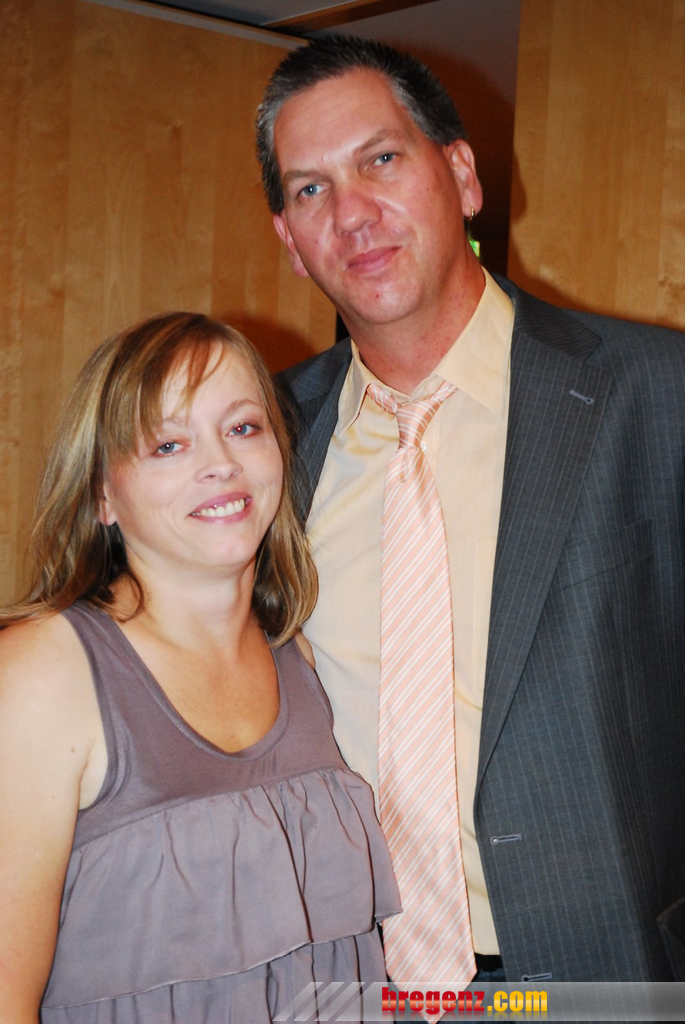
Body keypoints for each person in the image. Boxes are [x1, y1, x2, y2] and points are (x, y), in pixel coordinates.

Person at [256, 36, 685, 985]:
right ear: (289, 241)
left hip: (605, 974)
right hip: (347, 978)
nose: (352, 213)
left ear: (460, 175)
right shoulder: (263, 442)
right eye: (311, 189)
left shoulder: (659, 396)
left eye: (380, 159)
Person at [0, 312, 400, 1023]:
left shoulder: (302, 657)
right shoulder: (43, 672)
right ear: (101, 494)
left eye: (243, 428)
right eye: (168, 444)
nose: (220, 463)